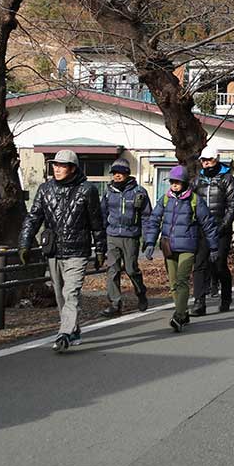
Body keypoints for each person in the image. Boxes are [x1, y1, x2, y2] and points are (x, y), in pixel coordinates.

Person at [18, 149, 106, 353]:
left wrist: (101, 249)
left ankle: (64, 333)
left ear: (73, 168)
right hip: (54, 250)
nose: (57, 169)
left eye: (62, 166)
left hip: (78, 251)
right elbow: (33, 218)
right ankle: (73, 329)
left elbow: (97, 223)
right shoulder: (45, 189)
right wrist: (24, 243)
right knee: (60, 295)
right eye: (55, 165)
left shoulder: (88, 190)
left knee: (70, 292)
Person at [143, 166, 219, 332]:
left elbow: (208, 224)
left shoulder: (195, 200)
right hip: (168, 246)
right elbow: (154, 220)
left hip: (188, 247)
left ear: (184, 183)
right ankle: (183, 313)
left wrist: (214, 247)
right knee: (173, 283)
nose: (174, 185)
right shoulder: (165, 199)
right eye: (172, 182)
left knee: (182, 280)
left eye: (177, 182)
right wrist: (150, 243)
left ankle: (178, 316)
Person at [99, 159, 151, 317]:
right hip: (112, 235)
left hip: (131, 236)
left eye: (120, 173)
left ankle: (141, 293)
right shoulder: (108, 192)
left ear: (127, 174)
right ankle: (115, 303)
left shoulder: (139, 192)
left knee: (131, 269)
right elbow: (102, 215)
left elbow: (147, 217)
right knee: (112, 269)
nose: (117, 175)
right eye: (114, 173)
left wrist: (148, 238)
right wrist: (101, 238)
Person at [192, 145, 234, 316]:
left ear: (216, 159)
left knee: (219, 265)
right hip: (202, 228)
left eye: (209, 160)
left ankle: (226, 297)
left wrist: (223, 225)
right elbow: (191, 202)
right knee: (199, 265)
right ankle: (199, 302)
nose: (206, 163)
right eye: (203, 160)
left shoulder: (227, 179)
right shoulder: (197, 180)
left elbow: (232, 205)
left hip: (220, 228)